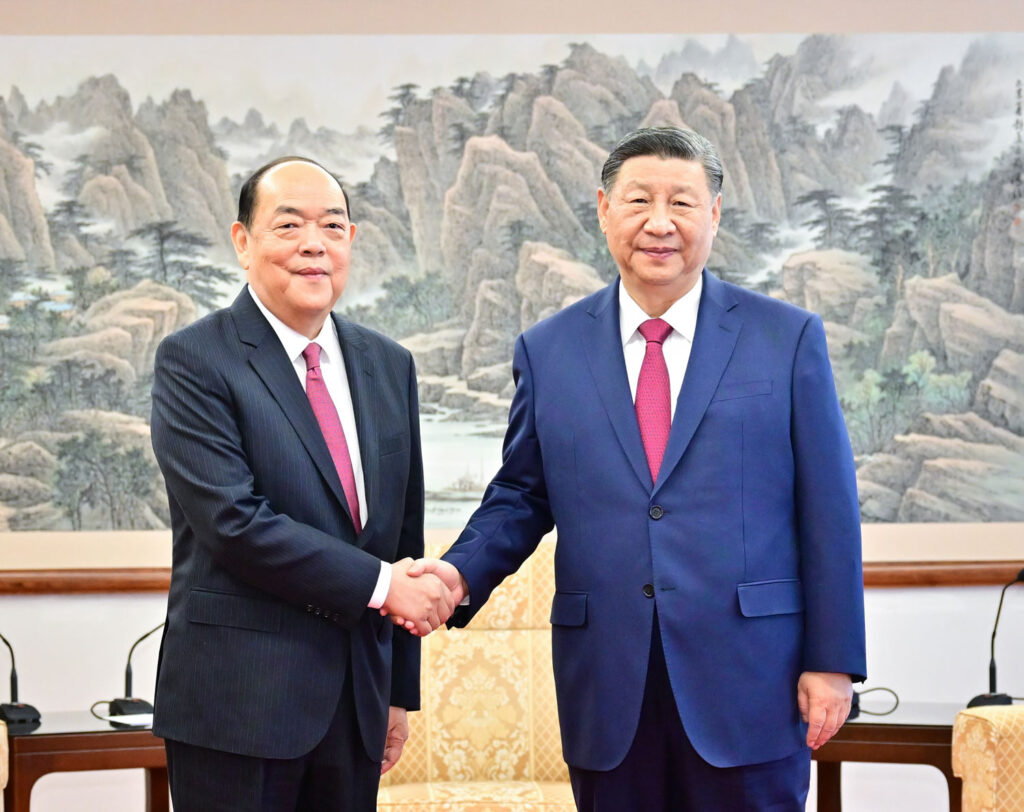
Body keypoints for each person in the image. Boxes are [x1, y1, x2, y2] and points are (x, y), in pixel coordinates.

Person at [405, 127, 867, 810]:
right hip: (609, 684)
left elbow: (829, 510)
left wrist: (833, 661)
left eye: (681, 203)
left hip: (750, 679)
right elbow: (522, 494)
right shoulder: (549, 349)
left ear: (713, 214)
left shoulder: (786, 337)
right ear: (602, 209)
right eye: (638, 200)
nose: (659, 223)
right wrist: (457, 569)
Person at [150, 156, 454, 812]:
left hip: (356, 704)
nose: (314, 244)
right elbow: (236, 523)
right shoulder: (195, 361)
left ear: (351, 241)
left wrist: (398, 691)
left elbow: (401, 528)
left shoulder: (388, 364)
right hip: (239, 708)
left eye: (333, 226)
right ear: (243, 242)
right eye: (289, 225)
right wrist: (383, 586)